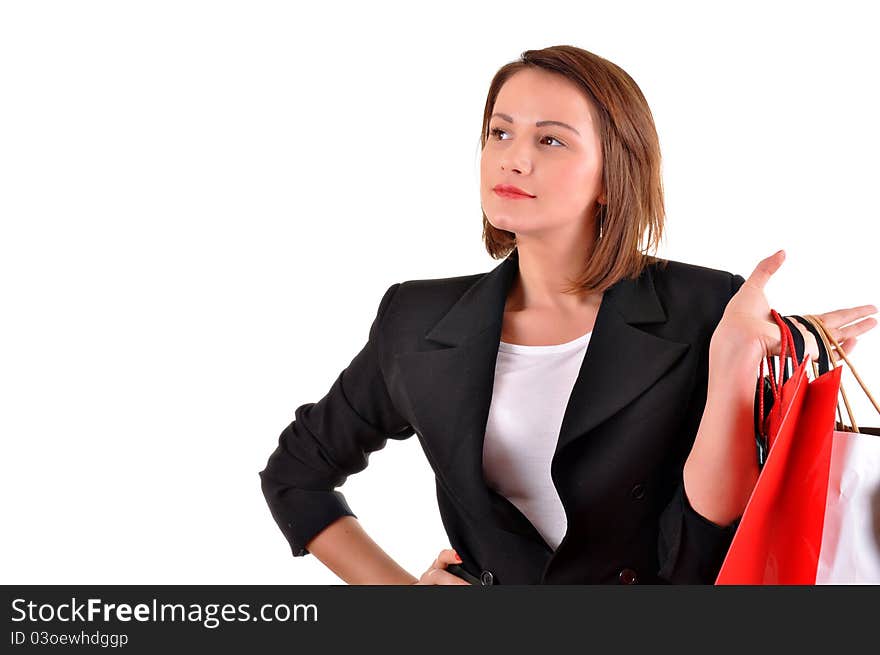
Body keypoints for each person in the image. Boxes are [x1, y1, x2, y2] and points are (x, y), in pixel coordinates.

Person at [258, 45, 877, 584]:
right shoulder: (416, 319)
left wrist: (733, 365)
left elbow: (710, 531)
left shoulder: (706, 306)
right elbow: (297, 476)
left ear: (613, 174)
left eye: (550, 139)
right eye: (500, 133)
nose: (514, 159)